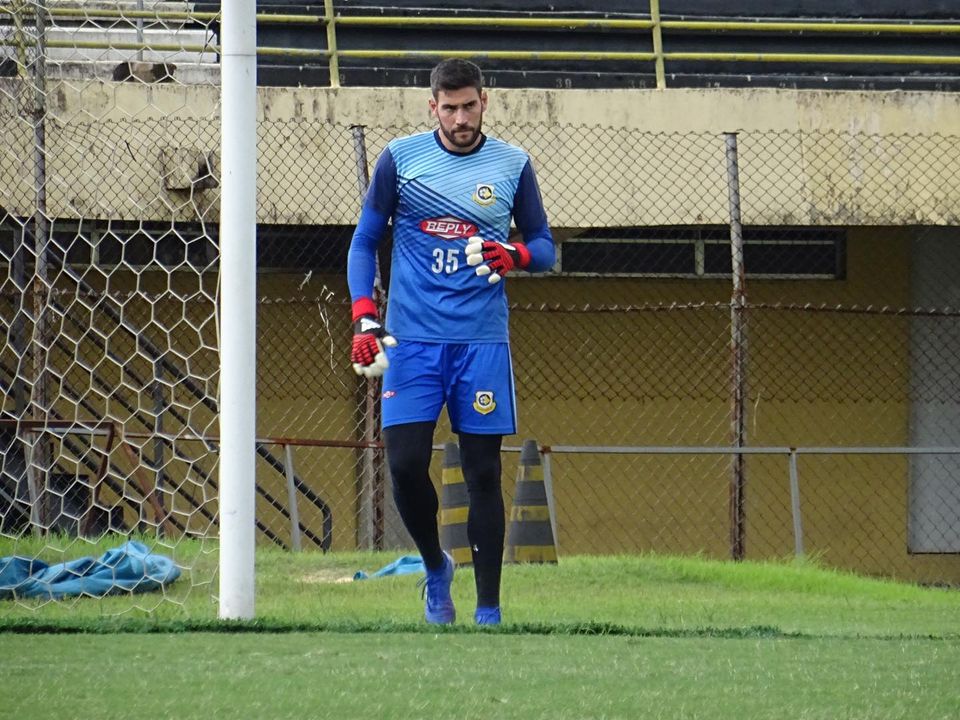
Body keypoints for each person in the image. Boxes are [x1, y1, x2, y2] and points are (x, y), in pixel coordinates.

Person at [346, 58, 555, 626]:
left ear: (485, 101)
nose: (460, 118)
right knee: (406, 464)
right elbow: (364, 242)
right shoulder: (401, 159)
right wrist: (365, 316)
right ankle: (436, 567)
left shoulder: (513, 164)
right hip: (411, 341)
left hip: (481, 344)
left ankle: (488, 611)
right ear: (431, 106)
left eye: (469, 106)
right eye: (449, 107)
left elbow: (545, 246)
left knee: (484, 472)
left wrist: (516, 255)